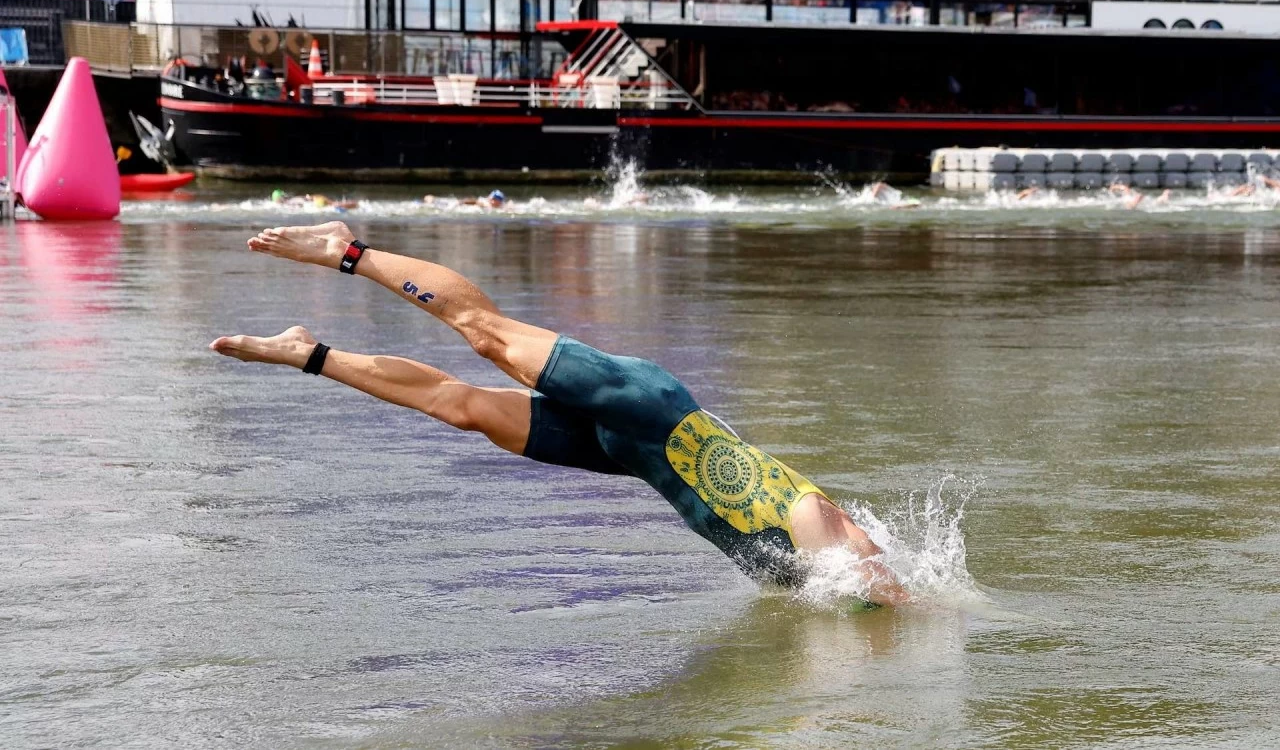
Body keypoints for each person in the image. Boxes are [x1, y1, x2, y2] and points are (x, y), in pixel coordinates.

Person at [209, 222, 910, 608]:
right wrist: (909, 613)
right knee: (484, 332)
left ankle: (309, 352)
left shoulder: (808, 583)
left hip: (632, 455)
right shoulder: (825, 534)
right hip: (649, 407)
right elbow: (825, 525)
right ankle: (348, 250)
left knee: (465, 411)